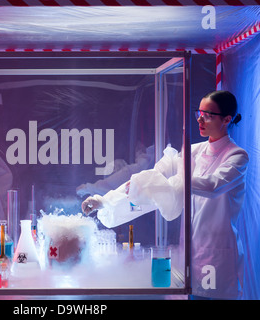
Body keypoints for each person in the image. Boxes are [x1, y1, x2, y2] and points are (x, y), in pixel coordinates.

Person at [81, 90, 248, 300]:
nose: (200, 119)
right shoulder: (192, 152)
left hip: (217, 257)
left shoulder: (237, 156)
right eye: (199, 112)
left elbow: (212, 186)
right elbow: (147, 180)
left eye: (208, 115)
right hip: (189, 256)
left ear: (226, 119)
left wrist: (170, 183)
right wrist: (105, 200)